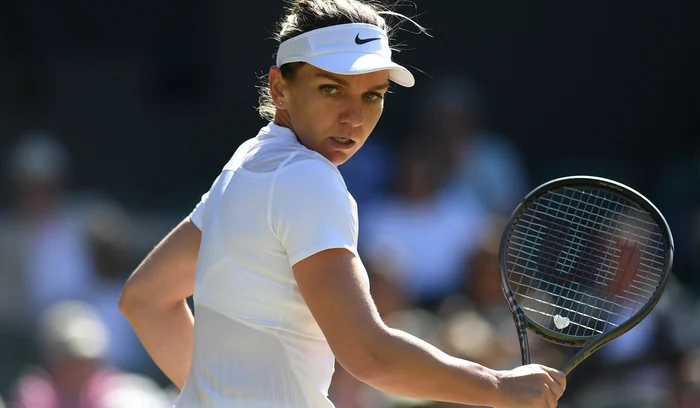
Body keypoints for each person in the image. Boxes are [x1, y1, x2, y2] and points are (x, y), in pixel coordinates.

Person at [118, 1, 567, 407]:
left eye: (372, 95)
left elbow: (146, 300)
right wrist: (497, 387)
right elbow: (369, 355)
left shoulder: (247, 163)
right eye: (331, 89)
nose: (354, 116)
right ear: (279, 87)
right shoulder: (308, 179)